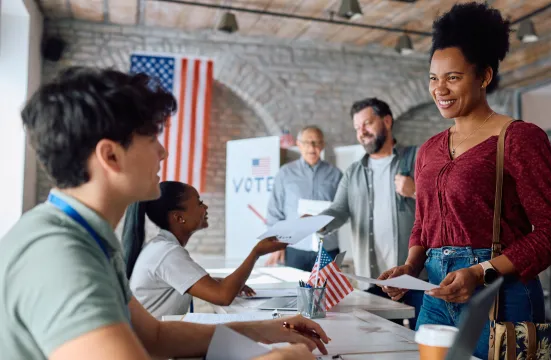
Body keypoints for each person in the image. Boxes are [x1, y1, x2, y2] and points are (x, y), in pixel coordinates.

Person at [0, 66, 329, 360]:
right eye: (151, 137)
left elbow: (155, 336)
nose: (163, 151)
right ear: (111, 156)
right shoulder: (58, 255)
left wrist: (272, 329)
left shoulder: (87, 239)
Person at [378, 3, 551, 359]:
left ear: (483, 76)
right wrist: (410, 266)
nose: (440, 89)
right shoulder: (429, 149)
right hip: (436, 292)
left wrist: (481, 271)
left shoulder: (518, 138)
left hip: (500, 292)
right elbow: (424, 224)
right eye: (434, 78)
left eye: (453, 77)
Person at [318, 97, 424, 330]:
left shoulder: (418, 158)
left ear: (387, 121)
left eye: (367, 124)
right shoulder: (353, 171)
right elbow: (339, 209)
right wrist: (317, 223)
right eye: (357, 128)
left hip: (415, 275)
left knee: (421, 341)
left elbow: (441, 203)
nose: (361, 132)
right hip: (373, 278)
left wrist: (415, 190)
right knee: (380, 341)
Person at [124, 181, 289, 318]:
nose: (206, 207)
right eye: (199, 202)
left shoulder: (161, 247)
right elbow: (223, 296)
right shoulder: (167, 253)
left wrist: (218, 281)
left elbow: (186, 280)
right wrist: (256, 253)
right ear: (178, 217)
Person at [265, 126, 342, 271]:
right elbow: (274, 212)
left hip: (327, 249)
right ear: (298, 144)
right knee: (293, 292)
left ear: (323, 145)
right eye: (307, 143)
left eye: (317, 143)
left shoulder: (336, 175)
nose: (312, 148)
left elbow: (343, 210)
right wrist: (276, 244)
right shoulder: (285, 173)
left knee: (328, 292)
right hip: (294, 249)